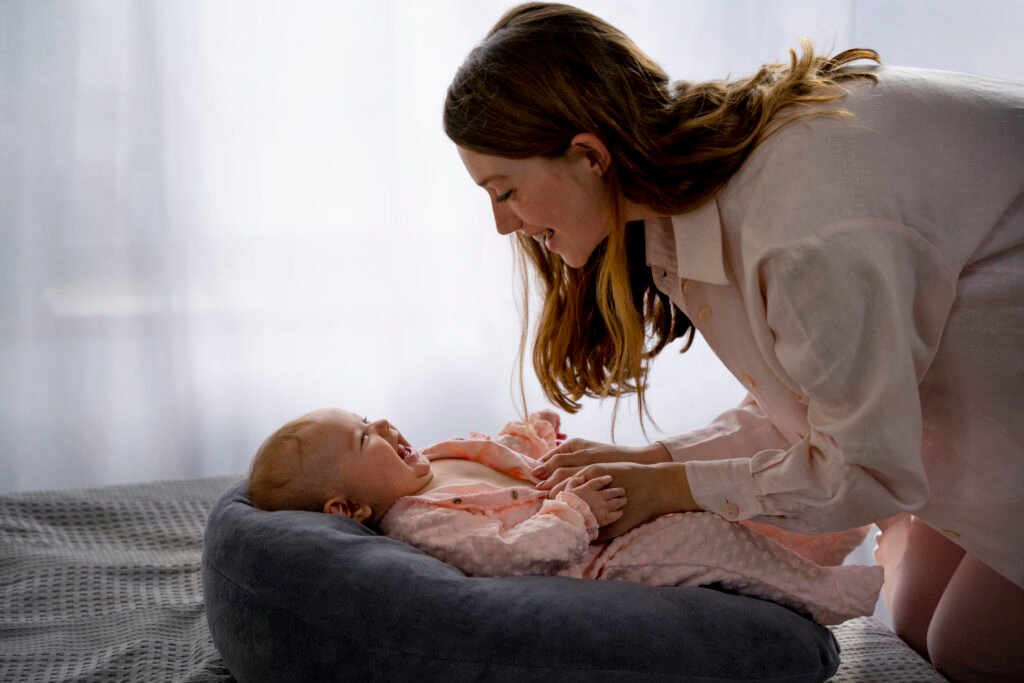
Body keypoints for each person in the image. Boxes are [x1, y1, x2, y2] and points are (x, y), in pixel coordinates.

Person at [443, 3, 1023, 681]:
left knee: (966, 644)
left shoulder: (798, 227)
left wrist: (672, 487)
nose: (500, 223)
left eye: (504, 190)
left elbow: (863, 469)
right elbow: (809, 399)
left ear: (589, 154)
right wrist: (657, 460)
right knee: (917, 613)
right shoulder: (684, 211)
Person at [247, 406, 882, 625]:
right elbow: (510, 554)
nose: (383, 424)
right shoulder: (417, 521)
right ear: (347, 508)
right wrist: (575, 510)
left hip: (597, 501)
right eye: (365, 438)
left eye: (366, 416)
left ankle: (829, 529)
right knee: (705, 537)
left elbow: (500, 456)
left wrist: (531, 435)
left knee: (715, 493)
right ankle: (828, 593)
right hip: (596, 553)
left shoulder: (434, 457)